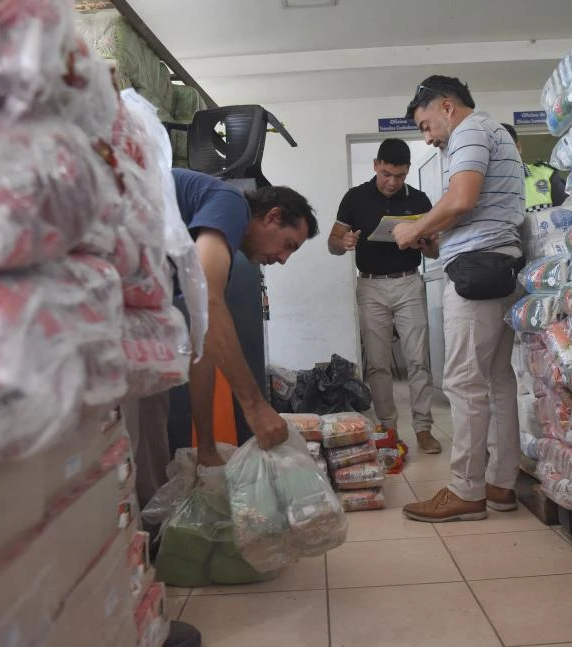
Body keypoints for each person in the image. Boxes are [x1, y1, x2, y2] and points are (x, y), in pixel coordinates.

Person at [124, 169, 319, 647]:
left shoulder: (216, 243)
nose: (282, 259)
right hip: (107, 300)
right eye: (288, 243)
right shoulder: (228, 203)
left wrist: (208, 444)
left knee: (148, 437)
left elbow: (200, 340)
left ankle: (146, 570)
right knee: (123, 455)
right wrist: (255, 408)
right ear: (271, 216)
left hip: (131, 315)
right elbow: (209, 304)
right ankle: (120, 593)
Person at [393, 75, 525, 523]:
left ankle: (465, 490)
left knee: (463, 382)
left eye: (427, 125)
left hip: (476, 273)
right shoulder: (490, 133)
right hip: (499, 265)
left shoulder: (469, 130)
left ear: (446, 106)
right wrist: (437, 238)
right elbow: (476, 207)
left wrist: (416, 229)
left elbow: (463, 198)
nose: (427, 138)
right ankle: (500, 483)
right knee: (497, 380)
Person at [328, 138, 442, 454]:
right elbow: (332, 242)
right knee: (377, 363)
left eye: (400, 176)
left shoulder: (419, 199)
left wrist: (423, 243)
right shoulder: (355, 198)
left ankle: (423, 429)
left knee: (419, 359)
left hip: (408, 283)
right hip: (370, 286)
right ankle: (387, 429)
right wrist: (345, 241)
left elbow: (435, 251)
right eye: (387, 174)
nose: (392, 182)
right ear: (376, 165)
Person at [501, 123, 568, 211]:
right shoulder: (482, 188)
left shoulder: (546, 174)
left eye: (505, 148)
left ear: (518, 147)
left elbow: (571, 210)